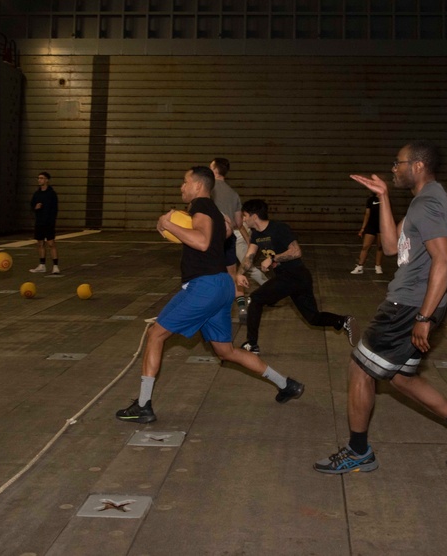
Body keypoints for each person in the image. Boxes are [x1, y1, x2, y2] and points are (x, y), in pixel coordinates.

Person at [314, 140, 447, 474]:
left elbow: (444, 261)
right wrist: (383, 197)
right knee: (400, 379)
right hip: (413, 303)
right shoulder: (420, 204)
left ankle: (358, 451)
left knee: (360, 369)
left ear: (418, 166)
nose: (394, 169)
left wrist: (423, 317)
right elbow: (388, 245)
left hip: (409, 305)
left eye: (398, 163)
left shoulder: (428, 204)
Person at [115, 166, 305, 424]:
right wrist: (178, 229)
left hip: (204, 287)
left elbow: (203, 242)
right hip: (222, 285)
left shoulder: (201, 206)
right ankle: (286, 384)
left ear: (197, 186)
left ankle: (143, 405)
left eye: (184, 182)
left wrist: (169, 223)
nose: (181, 187)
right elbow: (225, 233)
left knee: (156, 335)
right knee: (226, 351)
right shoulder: (214, 211)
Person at [236, 199, 358, 355]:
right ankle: (342, 321)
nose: (243, 219)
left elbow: (296, 252)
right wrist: (239, 274)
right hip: (290, 279)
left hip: (295, 275)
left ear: (254, 216)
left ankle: (252, 344)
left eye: (245, 216)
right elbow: (249, 257)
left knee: (255, 299)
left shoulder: (279, 228)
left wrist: (273, 259)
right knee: (313, 318)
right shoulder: (256, 235)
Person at [209, 158, 265, 297]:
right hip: (231, 237)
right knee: (234, 273)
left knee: (210, 273)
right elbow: (239, 223)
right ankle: (241, 307)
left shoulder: (208, 190)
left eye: (210, 167)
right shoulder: (233, 194)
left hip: (213, 237)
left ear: (215, 170)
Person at [29, 171, 59, 274]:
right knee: (40, 243)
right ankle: (42, 265)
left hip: (49, 222)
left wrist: (51, 222)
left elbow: (55, 209)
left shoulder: (51, 194)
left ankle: (55, 266)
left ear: (46, 180)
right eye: (38, 178)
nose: (39, 180)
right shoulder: (37, 194)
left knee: (51, 243)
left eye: (41, 178)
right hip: (39, 222)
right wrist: (35, 207)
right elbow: (32, 205)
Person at [351, 194, 384, 275]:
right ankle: (360, 267)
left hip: (381, 226)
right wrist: (363, 228)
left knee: (380, 246)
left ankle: (378, 266)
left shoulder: (385, 199)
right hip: (371, 226)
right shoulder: (371, 200)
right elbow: (367, 214)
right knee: (365, 246)